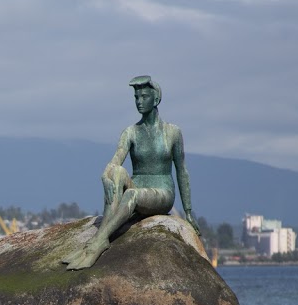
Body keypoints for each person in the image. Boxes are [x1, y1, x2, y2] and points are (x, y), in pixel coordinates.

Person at [64, 76, 199, 270]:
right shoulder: (131, 132)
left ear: (156, 99)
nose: (139, 101)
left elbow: (182, 171)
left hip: (161, 192)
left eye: (144, 97)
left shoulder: (172, 132)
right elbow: (115, 161)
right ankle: (99, 239)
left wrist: (188, 212)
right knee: (117, 173)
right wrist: (105, 176)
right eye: (136, 97)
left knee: (131, 194)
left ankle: (98, 241)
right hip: (137, 186)